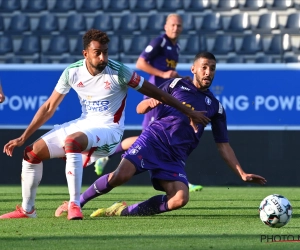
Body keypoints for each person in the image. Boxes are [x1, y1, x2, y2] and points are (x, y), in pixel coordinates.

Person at [0, 29, 210, 220]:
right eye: (98, 53)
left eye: (105, 52)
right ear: (85, 54)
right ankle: (28, 210)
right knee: (31, 153)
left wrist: (188, 111)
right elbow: (48, 107)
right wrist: (23, 136)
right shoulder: (72, 72)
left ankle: (75, 204)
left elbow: (157, 93)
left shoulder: (119, 72)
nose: (103, 58)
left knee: (72, 142)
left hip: (110, 128)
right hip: (85, 122)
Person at [55, 52, 267, 219]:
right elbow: (140, 107)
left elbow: (223, 145)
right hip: (153, 141)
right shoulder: (176, 85)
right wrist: (151, 102)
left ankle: (122, 211)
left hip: (175, 158)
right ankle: (77, 203)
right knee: (120, 176)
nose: (208, 72)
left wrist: (241, 173)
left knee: (180, 199)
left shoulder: (216, 108)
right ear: (193, 69)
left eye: (212, 69)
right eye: (204, 67)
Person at [94, 13, 203, 192]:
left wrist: (176, 76)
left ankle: (178, 177)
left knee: (157, 138)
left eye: (179, 26)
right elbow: (141, 63)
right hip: (155, 99)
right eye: (173, 25)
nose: (176, 28)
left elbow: (168, 71)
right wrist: (163, 74)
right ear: (166, 27)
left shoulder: (176, 47)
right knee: (148, 139)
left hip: (166, 97)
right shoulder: (159, 42)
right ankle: (106, 155)